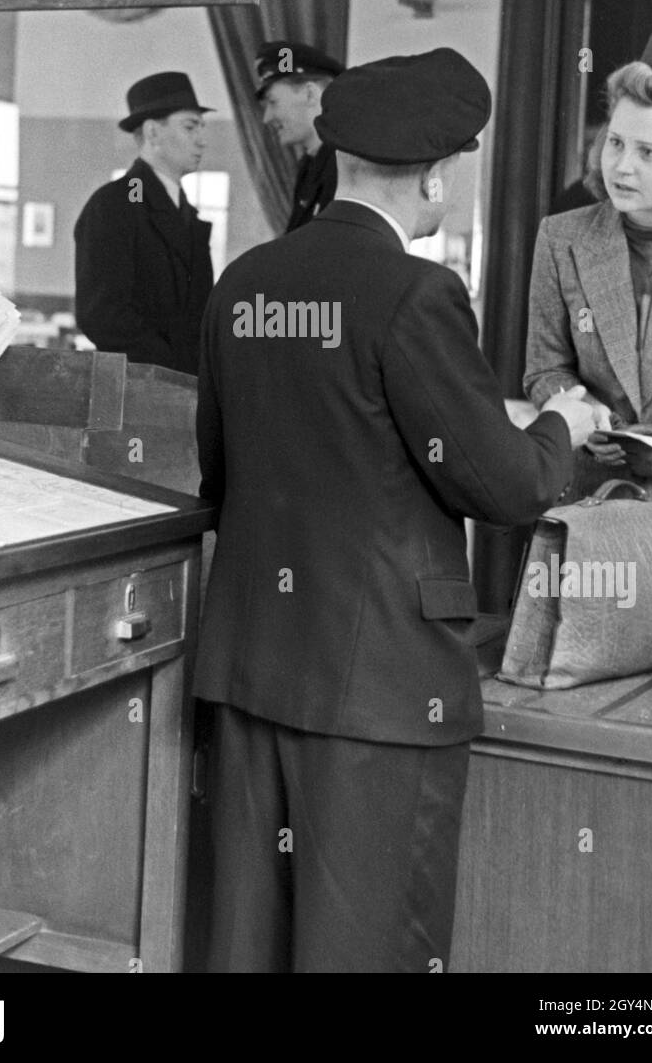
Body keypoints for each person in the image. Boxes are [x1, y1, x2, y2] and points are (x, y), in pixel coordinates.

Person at [194, 48, 597, 973]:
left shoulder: (243, 285)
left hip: (252, 670)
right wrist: (561, 424)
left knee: (245, 949)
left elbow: (222, 475)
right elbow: (505, 488)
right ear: (433, 175)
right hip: (378, 690)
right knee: (367, 952)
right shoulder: (415, 292)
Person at [524, 29, 652, 626]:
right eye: (614, 143)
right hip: (592, 519)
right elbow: (543, 367)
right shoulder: (563, 237)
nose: (621, 166)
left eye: (649, 153)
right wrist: (581, 416)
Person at [74, 72, 214, 374]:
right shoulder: (113, 205)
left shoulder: (183, 210)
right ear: (152, 133)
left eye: (202, 127)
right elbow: (102, 316)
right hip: (146, 388)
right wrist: (173, 367)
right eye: (190, 127)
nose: (202, 140)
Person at [255, 39, 344, 231]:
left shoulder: (345, 166)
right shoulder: (310, 164)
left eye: (273, 102)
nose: (267, 118)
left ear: (310, 94)